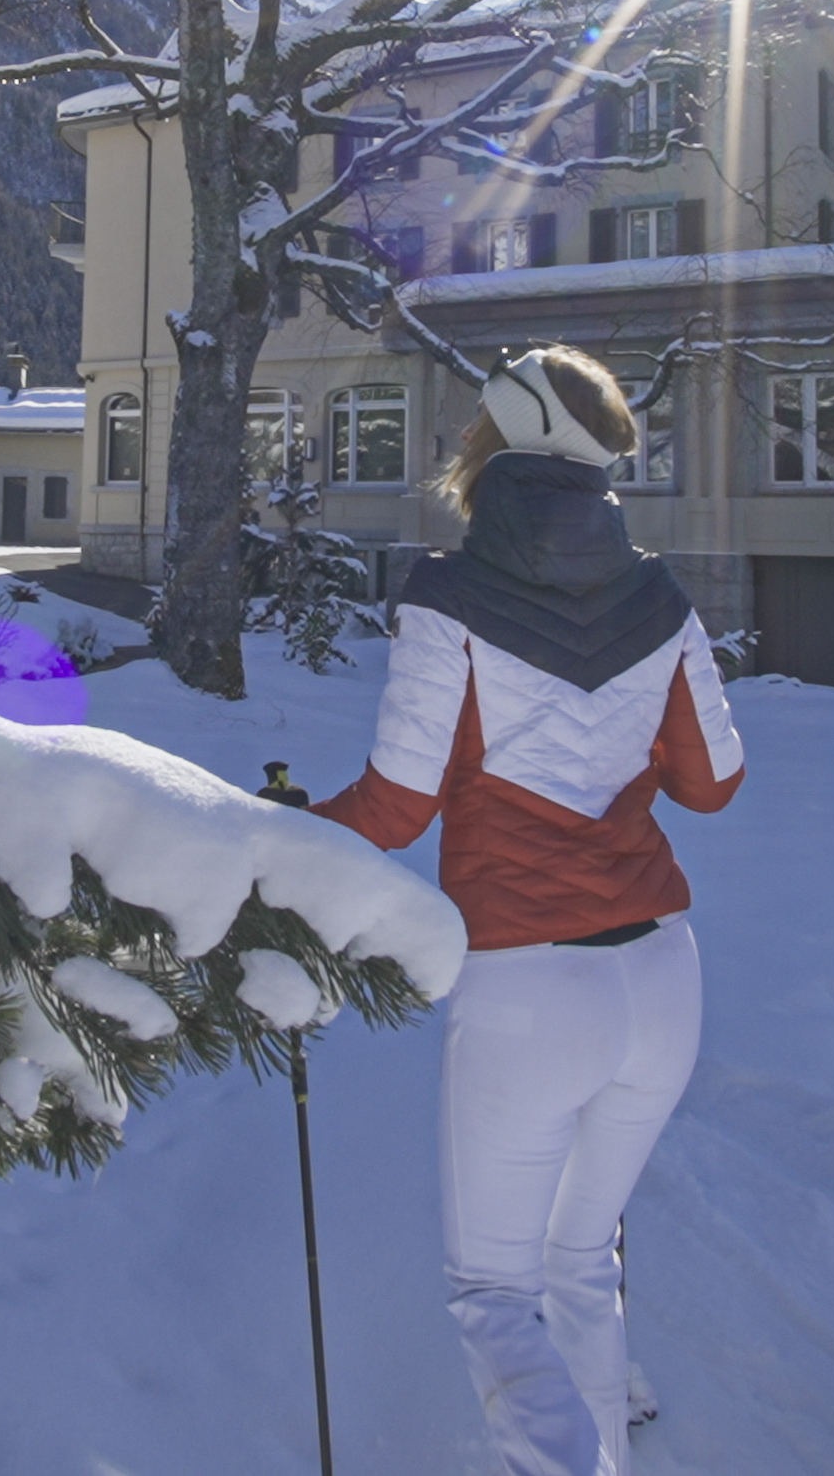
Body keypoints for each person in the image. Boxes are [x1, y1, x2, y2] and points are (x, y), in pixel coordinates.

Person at [317, 346, 747, 1476]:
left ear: (494, 440)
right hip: (662, 976)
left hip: (527, 986)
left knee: (492, 1293)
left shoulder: (449, 597)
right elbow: (715, 783)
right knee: (581, 1260)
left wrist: (279, 831)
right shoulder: (660, 593)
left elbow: (396, 805)